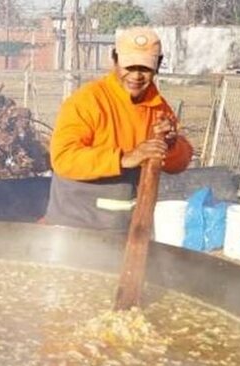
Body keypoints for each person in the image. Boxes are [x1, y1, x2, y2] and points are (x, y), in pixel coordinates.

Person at [44, 27, 193, 231]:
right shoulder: (87, 101)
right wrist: (123, 158)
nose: (136, 76)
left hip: (127, 229)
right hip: (76, 225)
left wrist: (172, 146)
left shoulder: (159, 107)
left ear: (158, 66)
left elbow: (179, 163)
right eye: (129, 67)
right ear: (114, 60)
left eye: (145, 68)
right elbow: (63, 158)